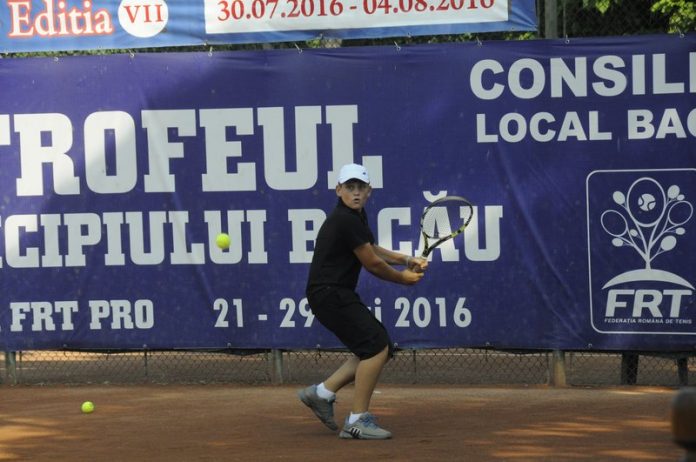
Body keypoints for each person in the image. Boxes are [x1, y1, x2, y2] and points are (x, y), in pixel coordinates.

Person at [298, 163, 428, 440]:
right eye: (350, 187)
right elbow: (372, 263)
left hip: (333, 293)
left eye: (360, 188)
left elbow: (372, 248)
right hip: (330, 294)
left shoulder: (355, 217)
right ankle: (357, 421)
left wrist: (406, 259)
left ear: (369, 191)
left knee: (376, 346)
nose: (355, 193)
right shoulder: (345, 219)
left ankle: (321, 393)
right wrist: (402, 279)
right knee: (376, 346)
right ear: (338, 190)